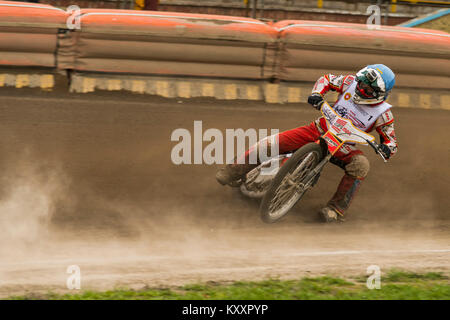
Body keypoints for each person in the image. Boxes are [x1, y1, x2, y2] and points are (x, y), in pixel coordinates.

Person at [216, 64, 398, 223]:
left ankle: (336, 210)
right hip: (319, 128)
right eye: (361, 82)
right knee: (270, 143)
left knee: (361, 166)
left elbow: (391, 141)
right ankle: (232, 171)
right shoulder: (349, 82)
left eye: (366, 86)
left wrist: (386, 149)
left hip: (344, 146)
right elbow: (326, 79)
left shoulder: (384, 115)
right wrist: (317, 94)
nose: (360, 87)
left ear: (378, 93)